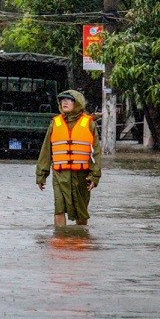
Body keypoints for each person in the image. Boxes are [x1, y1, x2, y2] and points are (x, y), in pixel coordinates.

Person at [36, 90, 102, 227]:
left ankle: (80, 239)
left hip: (82, 176)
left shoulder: (89, 124)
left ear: (77, 103)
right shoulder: (55, 123)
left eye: (69, 100)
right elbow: (46, 151)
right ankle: (60, 239)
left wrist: (95, 176)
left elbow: (95, 153)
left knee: (81, 212)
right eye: (62, 100)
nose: (64, 102)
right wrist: (41, 175)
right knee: (59, 209)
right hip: (60, 175)